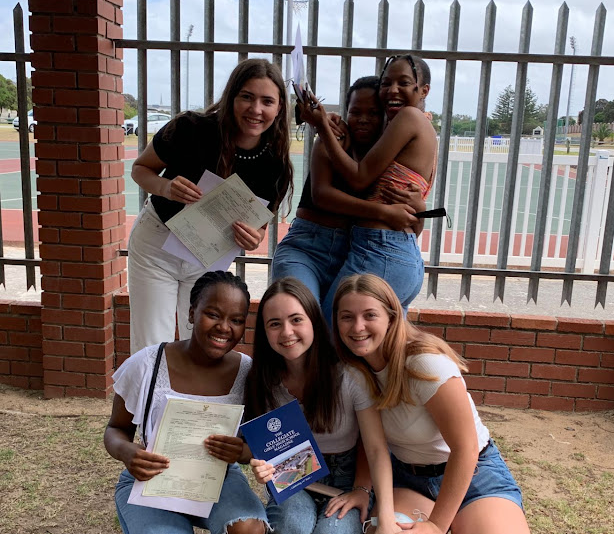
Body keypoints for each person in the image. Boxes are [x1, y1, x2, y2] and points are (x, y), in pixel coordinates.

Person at [332, 274, 533, 534]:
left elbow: (466, 448)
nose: (357, 326)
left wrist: (437, 526)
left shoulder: (423, 363)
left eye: (369, 315)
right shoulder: (355, 370)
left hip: (471, 473)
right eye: (346, 316)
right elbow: (375, 447)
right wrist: (378, 508)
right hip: (410, 476)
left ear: (393, 317)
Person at [104, 271, 268, 534]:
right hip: (153, 483)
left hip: (216, 480)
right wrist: (127, 453)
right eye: (213, 314)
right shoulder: (148, 364)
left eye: (237, 320)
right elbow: (115, 430)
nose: (225, 327)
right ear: (191, 313)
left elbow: (259, 444)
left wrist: (242, 451)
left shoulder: (249, 373)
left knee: (250, 531)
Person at [245, 277, 403, 534]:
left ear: (314, 321)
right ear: (264, 331)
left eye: (296, 320)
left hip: (346, 477)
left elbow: (373, 445)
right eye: (275, 324)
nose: (287, 333)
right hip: (294, 476)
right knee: (288, 531)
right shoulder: (263, 379)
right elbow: (257, 443)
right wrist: (258, 463)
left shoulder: (349, 376)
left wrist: (362, 490)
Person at [127, 58, 293, 354]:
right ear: (231, 98)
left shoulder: (275, 165)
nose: (256, 109)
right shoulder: (190, 129)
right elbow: (140, 169)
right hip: (156, 248)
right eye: (247, 97)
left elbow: (258, 229)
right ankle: (147, 401)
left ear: (279, 108)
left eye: (267, 101)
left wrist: (253, 238)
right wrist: (166, 187)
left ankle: (186, 403)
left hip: (207, 258)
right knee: (151, 348)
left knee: (198, 349)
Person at [299, 55, 438, 317]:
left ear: (423, 90)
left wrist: (321, 127)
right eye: (386, 83)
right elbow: (411, 218)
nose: (392, 90)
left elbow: (359, 178)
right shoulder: (420, 124)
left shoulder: (408, 117)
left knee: (331, 336)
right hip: (401, 254)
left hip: (380, 250)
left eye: (404, 82)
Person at [271, 76, 419, 307]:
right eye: (355, 111)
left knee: (343, 332)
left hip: (353, 255)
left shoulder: (390, 158)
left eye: (373, 113)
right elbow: (322, 195)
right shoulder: (334, 138)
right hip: (307, 247)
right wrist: (383, 213)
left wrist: (419, 207)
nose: (363, 119)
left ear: (387, 117)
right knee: (298, 313)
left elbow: (409, 218)